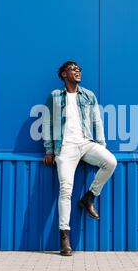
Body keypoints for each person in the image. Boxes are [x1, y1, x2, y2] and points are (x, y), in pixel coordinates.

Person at [42, 61, 117, 256]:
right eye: (72, 69)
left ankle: (89, 197)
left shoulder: (89, 95)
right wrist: (50, 150)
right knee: (65, 190)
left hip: (86, 142)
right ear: (64, 74)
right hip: (64, 147)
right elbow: (47, 122)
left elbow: (96, 121)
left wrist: (101, 145)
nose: (77, 71)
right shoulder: (55, 96)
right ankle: (65, 237)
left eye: (78, 69)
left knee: (110, 162)